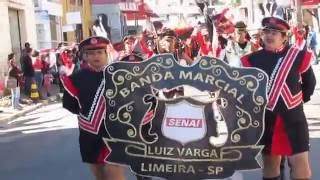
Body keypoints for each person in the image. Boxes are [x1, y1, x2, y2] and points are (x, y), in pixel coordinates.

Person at [241, 16, 316, 180]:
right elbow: (246, 90)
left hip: (294, 119)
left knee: (301, 165)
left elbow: (309, 84)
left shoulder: (298, 56)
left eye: (275, 32)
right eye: (266, 31)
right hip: (267, 119)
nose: (269, 35)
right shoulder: (252, 60)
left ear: (284, 36)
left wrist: (295, 102)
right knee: (270, 165)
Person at [61, 36, 125, 180]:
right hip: (90, 134)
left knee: (114, 173)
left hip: (115, 133)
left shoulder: (118, 75)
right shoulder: (76, 78)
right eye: (91, 53)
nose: (96, 56)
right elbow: (71, 105)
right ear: (85, 55)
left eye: (99, 52)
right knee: (100, 176)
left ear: (106, 53)